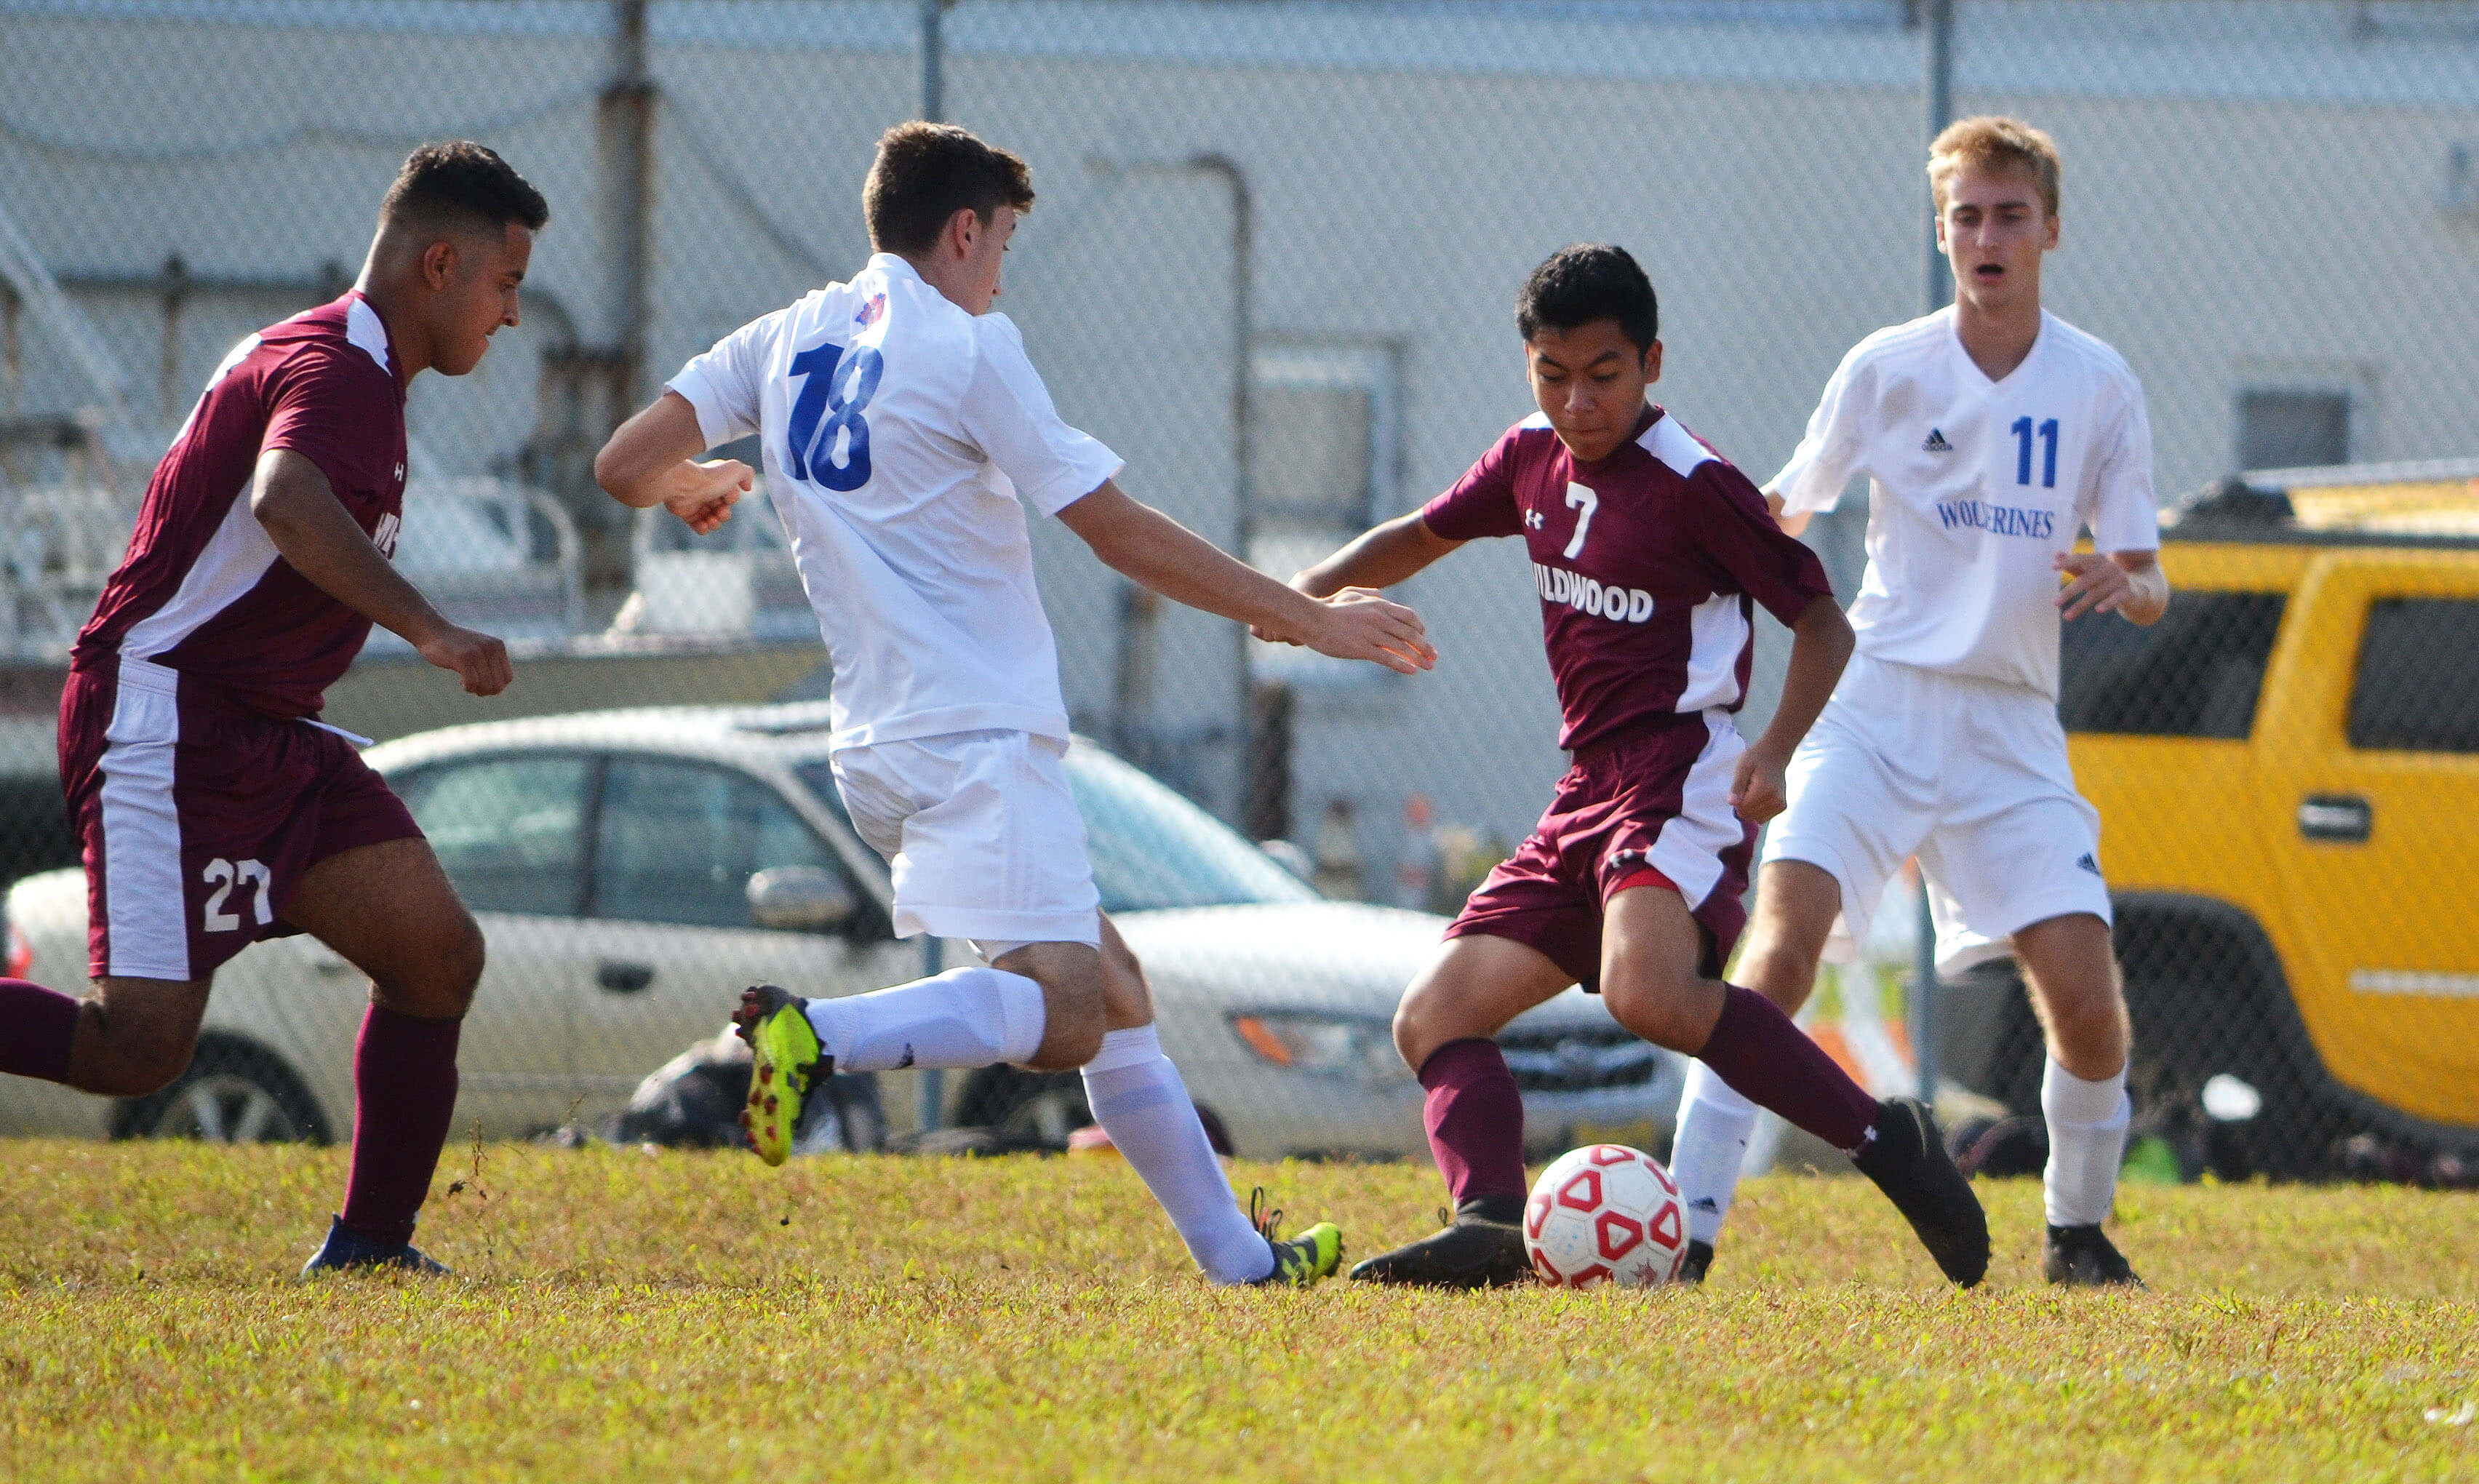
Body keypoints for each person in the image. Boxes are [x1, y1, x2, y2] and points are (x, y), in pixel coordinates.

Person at [592, 121, 1434, 1286]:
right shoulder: (969, 347)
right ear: (963, 229)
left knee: (1116, 986)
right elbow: (1118, 529)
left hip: (877, 741)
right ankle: (816, 1036)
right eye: (1002, 244)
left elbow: (622, 463)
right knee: (1071, 1012)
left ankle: (1243, 1264)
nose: (1001, 274)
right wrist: (1309, 617)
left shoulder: (784, 337)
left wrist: (687, 485)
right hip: (977, 736)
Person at [1275, 243, 1989, 1290]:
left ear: (1651, 362)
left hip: (1684, 771)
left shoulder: (1696, 485)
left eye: (1602, 375)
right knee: (1432, 1017)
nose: (1577, 402)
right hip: (1586, 790)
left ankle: (1890, 1144)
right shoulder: (1529, 456)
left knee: (1645, 995)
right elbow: (1421, 533)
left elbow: (1822, 624)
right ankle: (1487, 1221)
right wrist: (1301, 600)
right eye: (1552, 375)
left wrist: (1778, 751)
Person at [0, 141, 548, 1276]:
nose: (509, 314)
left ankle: (370, 1250)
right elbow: (287, 499)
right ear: (438, 264)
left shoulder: (358, 368)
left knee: (436, 955)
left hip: (265, 732)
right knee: (136, 1049)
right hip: (165, 717)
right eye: (505, 283)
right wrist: (433, 630)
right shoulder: (340, 369)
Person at [1666, 116, 2169, 1288]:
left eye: (2008, 214)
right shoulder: (1888, 366)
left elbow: (2147, 580)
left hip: (2007, 729)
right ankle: (1682, 1233)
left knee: (2089, 1005)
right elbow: (1788, 503)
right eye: (1965, 217)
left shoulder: (2099, 383)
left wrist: (2125, 579)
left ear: (2050, 227)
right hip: (1873, 704)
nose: (1986, 237)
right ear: (1942, 231)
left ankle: (2079, 1236)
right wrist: (1699, 530)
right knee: (1779, 950)